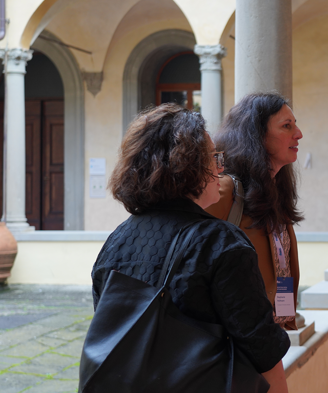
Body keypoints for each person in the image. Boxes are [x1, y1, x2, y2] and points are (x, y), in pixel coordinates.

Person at [91, 104, 290, 392]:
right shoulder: (221, 242)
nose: (220, 167)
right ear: (190, 167)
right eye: (213, 157)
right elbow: (262, 346)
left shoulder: (116, 241)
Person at [207, 93, 304, 330]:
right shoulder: (225, 190)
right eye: (286, 126)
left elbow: (281, 268)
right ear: (257, 136)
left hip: (268, 333)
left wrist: (281, 320)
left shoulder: (275, 192)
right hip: (234, 339)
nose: (298, 134)